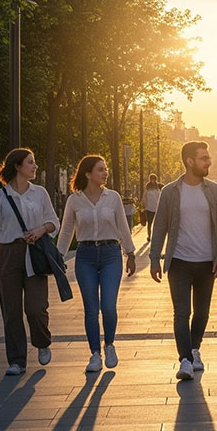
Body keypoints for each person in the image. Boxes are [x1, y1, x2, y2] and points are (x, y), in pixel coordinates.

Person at [149, 142, 217, 381]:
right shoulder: (171, 191)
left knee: (202, 312)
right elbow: (160, 227)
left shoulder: (214, 191)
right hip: (179, 261)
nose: (209, 162)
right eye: (204, 158)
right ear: (190, 161)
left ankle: (194, 349)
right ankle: (185, 360)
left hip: (208, 262)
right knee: (181, 311)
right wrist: (155, 258)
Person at [57, 155, 137, 373]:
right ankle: (95, 354)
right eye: (100, 170)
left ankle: (109, 344)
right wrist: (58, 258)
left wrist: (130, 253)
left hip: (111, 254)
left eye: (106, 169)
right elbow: (66, 232)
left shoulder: (113, 198)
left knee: (108, 306)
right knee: (91, 309)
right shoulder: (75, 200)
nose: (105, 173)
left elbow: (122, 225)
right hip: (85, 256)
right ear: (88, 173)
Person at [0, 148, 60, 376]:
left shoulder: (40, 193)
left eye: (34, 162)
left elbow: (53, 222)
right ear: (17, 166)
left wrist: (39, 230)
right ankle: (17, 360)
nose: (35, 166)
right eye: (30, 163)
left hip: (34, 253)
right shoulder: (1, 196)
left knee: (36, 308)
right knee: (11, 310)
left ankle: (42, 340)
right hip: (9, 253)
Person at [143, 173, 162, 242]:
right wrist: (144, 204)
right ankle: (149, 236)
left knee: (156, 223)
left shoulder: (157, 188)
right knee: (149, 223)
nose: (152, 180)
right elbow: (144, 197)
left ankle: (155, 236)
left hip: (156, 208)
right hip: (148, 208)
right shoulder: (147, 187)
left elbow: (160, 197)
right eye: (151, 179)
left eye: (153, 179)